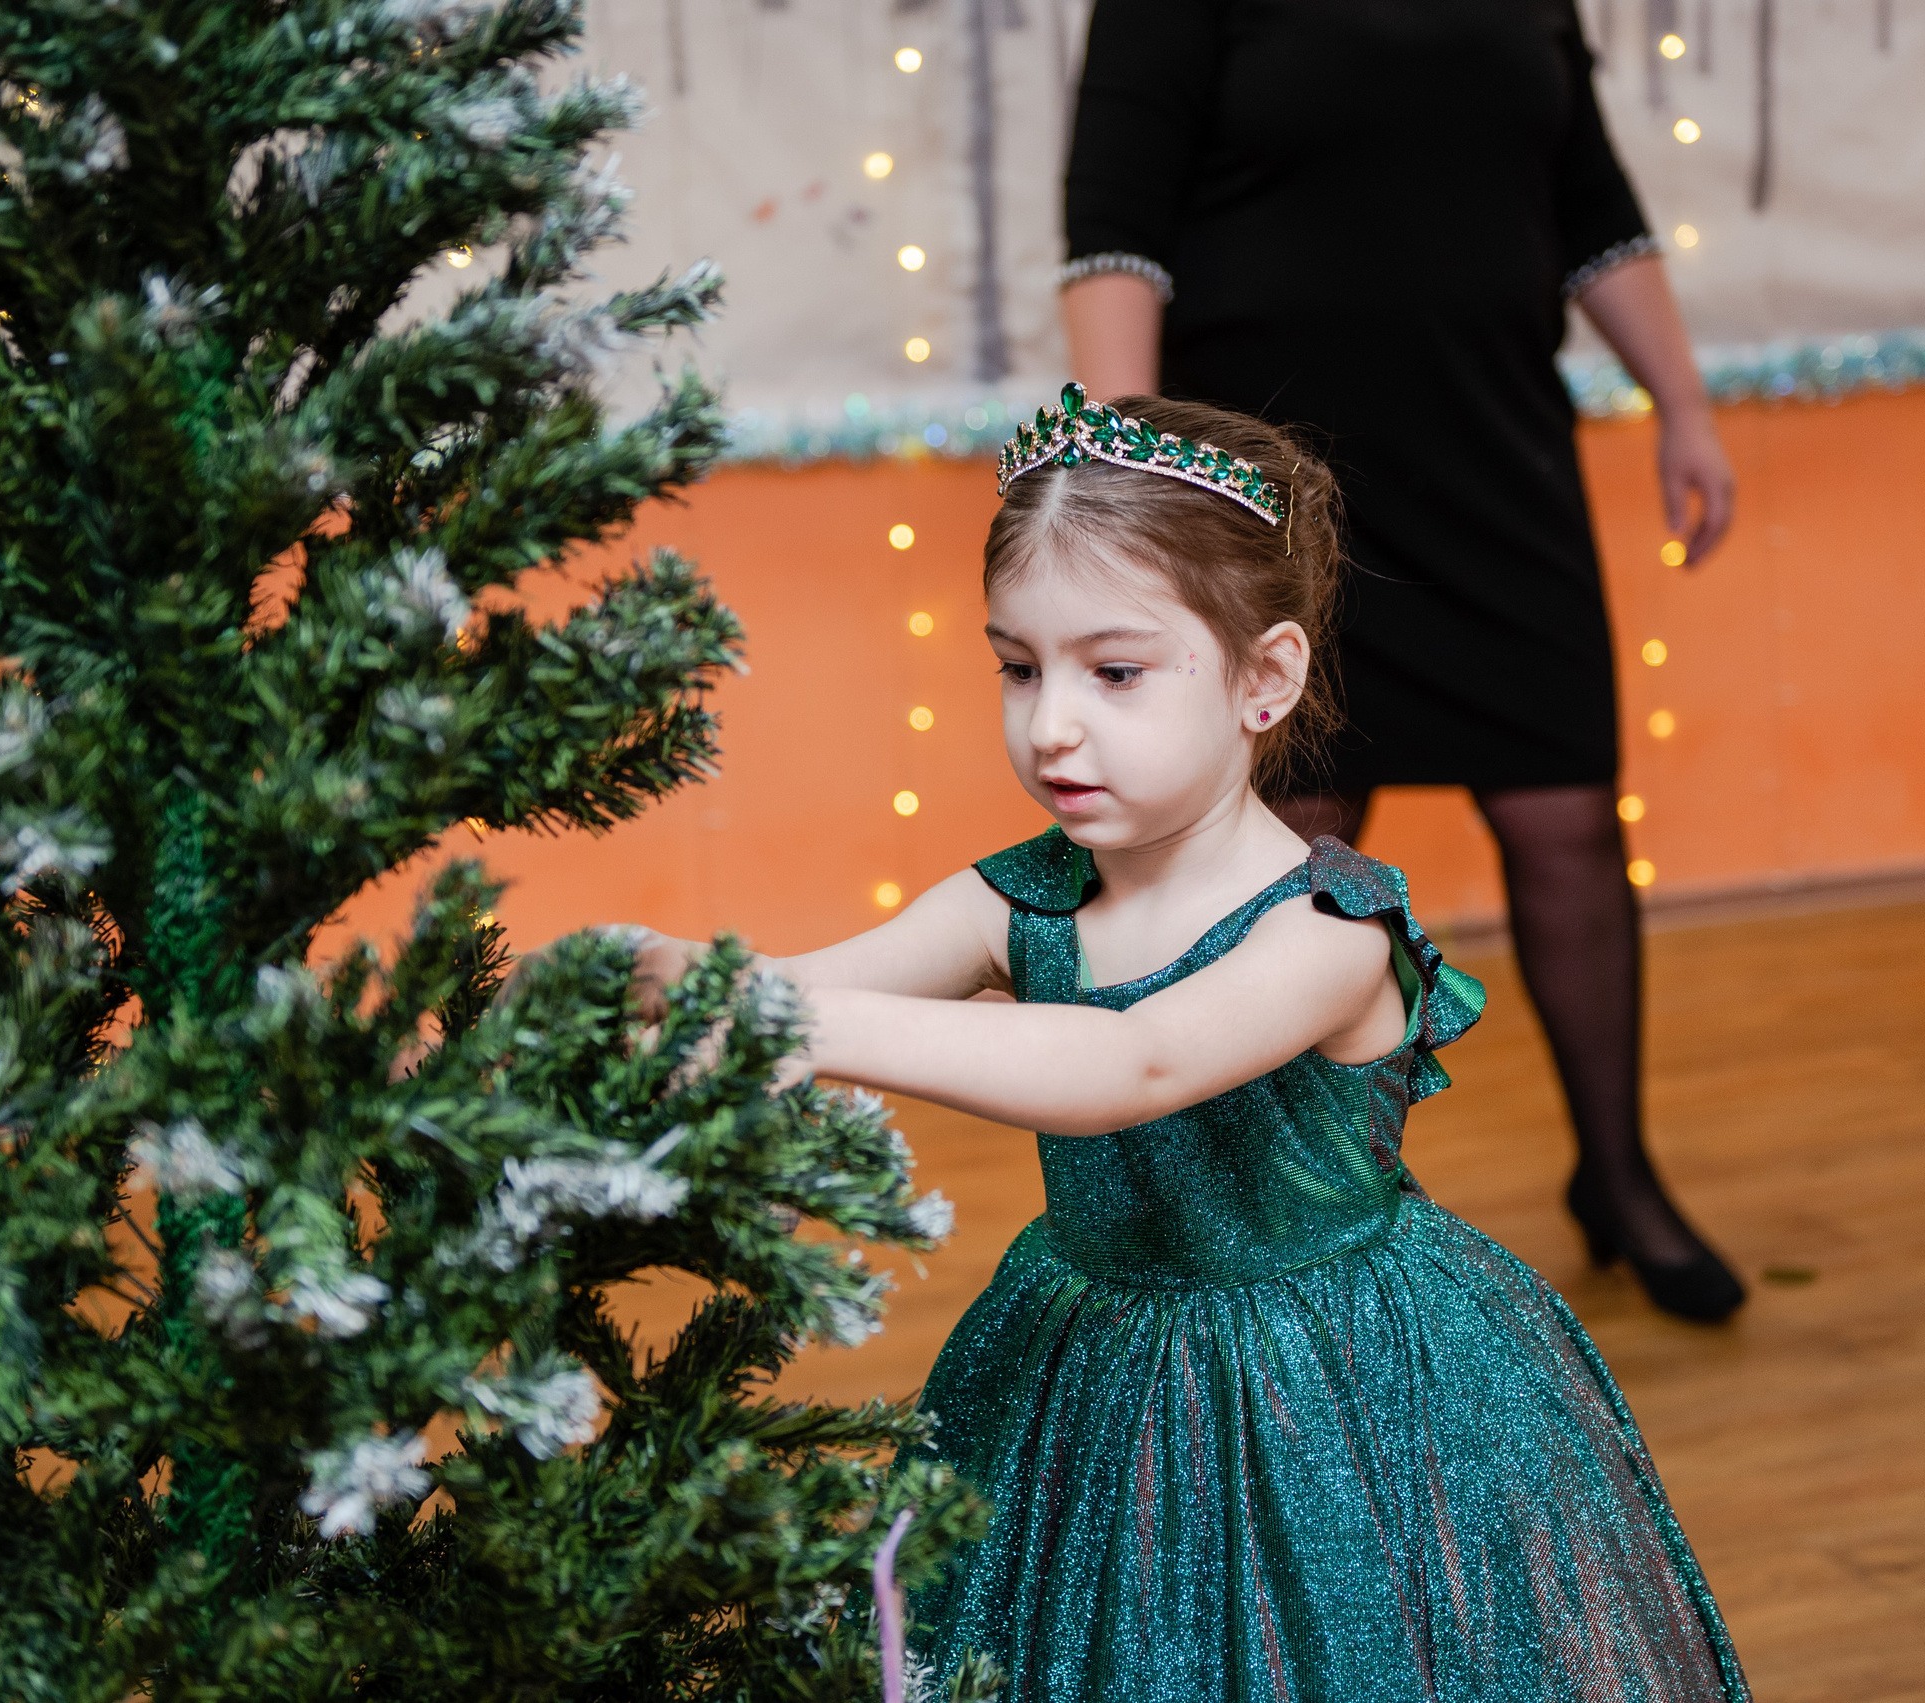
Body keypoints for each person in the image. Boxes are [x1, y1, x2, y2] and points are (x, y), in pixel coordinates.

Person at [620, 389, 1748, 1700]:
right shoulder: (1023, 898)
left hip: (1328, 1384)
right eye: (1018, 666)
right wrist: (659, 986)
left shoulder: (1328, 931)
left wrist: (790, 1025)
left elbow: (1130, 1066)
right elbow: (806, 991)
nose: (1051, 726)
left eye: (1115, 672)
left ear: (1264, 679)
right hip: (1085, 1360)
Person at [1056, 0, 1745, 1321]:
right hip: (1275, 493)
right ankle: (1315, 1218)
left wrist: (1686, 407)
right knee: (1304, 855)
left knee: (1568, 821)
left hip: (1496, 459)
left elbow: (1596, 211)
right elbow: (1116, 240)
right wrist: (1132, 487)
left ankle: (1620, 1178)